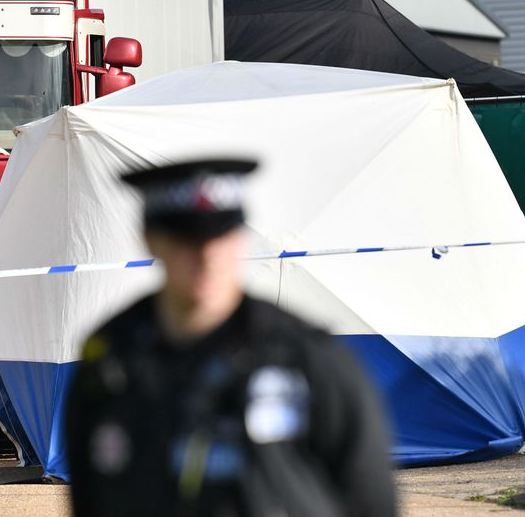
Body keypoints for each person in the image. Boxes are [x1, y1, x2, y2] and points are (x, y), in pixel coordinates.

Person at [65, 158, 398, 517]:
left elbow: (370, 498)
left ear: (240, 238)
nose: (207, 255)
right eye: (185, 238)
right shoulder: (110, 361)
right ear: (150, 240)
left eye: (220, 234)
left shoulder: (306, 358)